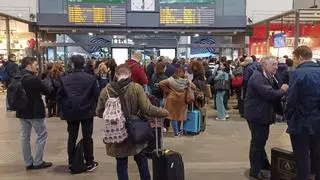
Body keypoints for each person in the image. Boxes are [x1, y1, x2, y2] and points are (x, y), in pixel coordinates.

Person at [96, 64, 168, 180]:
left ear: (116, 74)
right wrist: (164, 112)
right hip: (135, 129)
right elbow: (147, 109)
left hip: (117, 131)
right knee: (141, 158)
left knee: (121, 163)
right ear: (129, 74)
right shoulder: (136, 88)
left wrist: (113, 114)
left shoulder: (106, 91)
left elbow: (99, 112)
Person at [244, 56, 288, 180]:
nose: (276, 67)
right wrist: (283, 90)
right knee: (257, 143)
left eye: (277, 64)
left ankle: (263, 165)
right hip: (257, 115)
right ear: (264, 65)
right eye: (273, 64)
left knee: (260, 142)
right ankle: (255, 171)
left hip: (261, 114)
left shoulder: (268, 76)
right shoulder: (258, 77)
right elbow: (269, 94)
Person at [58, 55, 100, 172]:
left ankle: (71, 162)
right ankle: (89, 162)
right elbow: (96, 95)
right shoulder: (91, 78)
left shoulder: (64, 78)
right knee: (88, 137)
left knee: (71, 137)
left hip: (71, 111)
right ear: (84, 64)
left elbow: (59, 95)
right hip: (87, 111)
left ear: (71, 64)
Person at [286, 46, 320, 180]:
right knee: (317, 153)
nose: (293, 61)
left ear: (300, 57)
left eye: (294, 58)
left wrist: (288, 115)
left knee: (302, 155)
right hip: (318, 120)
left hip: (301, 121)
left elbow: (291, 99)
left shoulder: (298, 73)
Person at [16, 57, 52, 170]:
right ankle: (38, 161)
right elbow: (47, 91)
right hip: (35, 111)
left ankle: (28, 162)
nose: (37, 66)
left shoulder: (17, 76)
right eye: (35, 64)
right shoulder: (33, 79)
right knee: (42, 134)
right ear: (29, 65)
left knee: (24, 136)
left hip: (21, 111)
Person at [160, 67, 196, 137]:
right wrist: (190, 81)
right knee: (180, 116)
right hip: (182, 100)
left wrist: (168, 90)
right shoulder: (186, 81)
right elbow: (194, 87)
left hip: (172, 99)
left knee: (173, 117)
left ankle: (176, 133)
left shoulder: (170, 80)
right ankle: (179, 130)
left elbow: (161, 83)